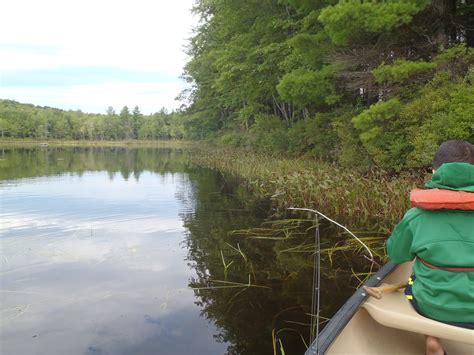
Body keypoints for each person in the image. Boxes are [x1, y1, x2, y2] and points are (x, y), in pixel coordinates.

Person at [386, 140, 474, 355]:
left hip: (432, 307)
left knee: (412, 281)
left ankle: (432, 338)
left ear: (434, 171)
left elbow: (397, 254)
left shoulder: (416, 216)